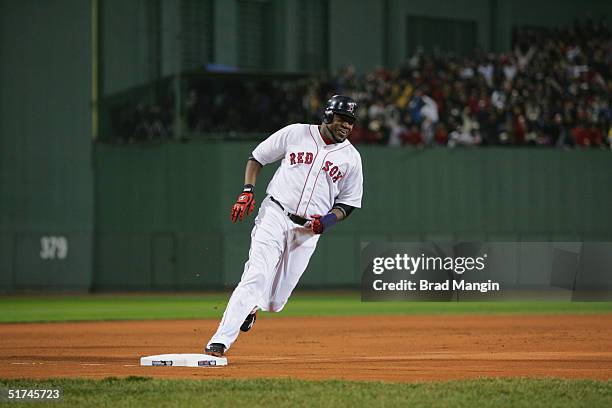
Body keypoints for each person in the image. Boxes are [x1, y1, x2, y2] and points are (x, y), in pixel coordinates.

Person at [204, 95, 364, 357]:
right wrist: (247, 190)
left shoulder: (352, 158)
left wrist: (327, 221)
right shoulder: (296, 133)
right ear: (327, 116)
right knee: (256, 275)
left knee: (275, 301)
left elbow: (348, 202)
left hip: (308, 231)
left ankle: (253, 307)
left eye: (351, 121)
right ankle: (220, 341)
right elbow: (257, 157)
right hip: (275, 214)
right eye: (341, 119)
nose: (346, 125)